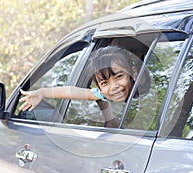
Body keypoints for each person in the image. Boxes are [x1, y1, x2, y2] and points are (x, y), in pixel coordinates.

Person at [19, 46, 150, 127]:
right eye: (104, 83)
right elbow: (71, 91)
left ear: (133, 73)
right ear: (99, 87)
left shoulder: (146, 93)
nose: (113, 87)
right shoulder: (101, 95)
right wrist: (42, 92)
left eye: (119, 77)